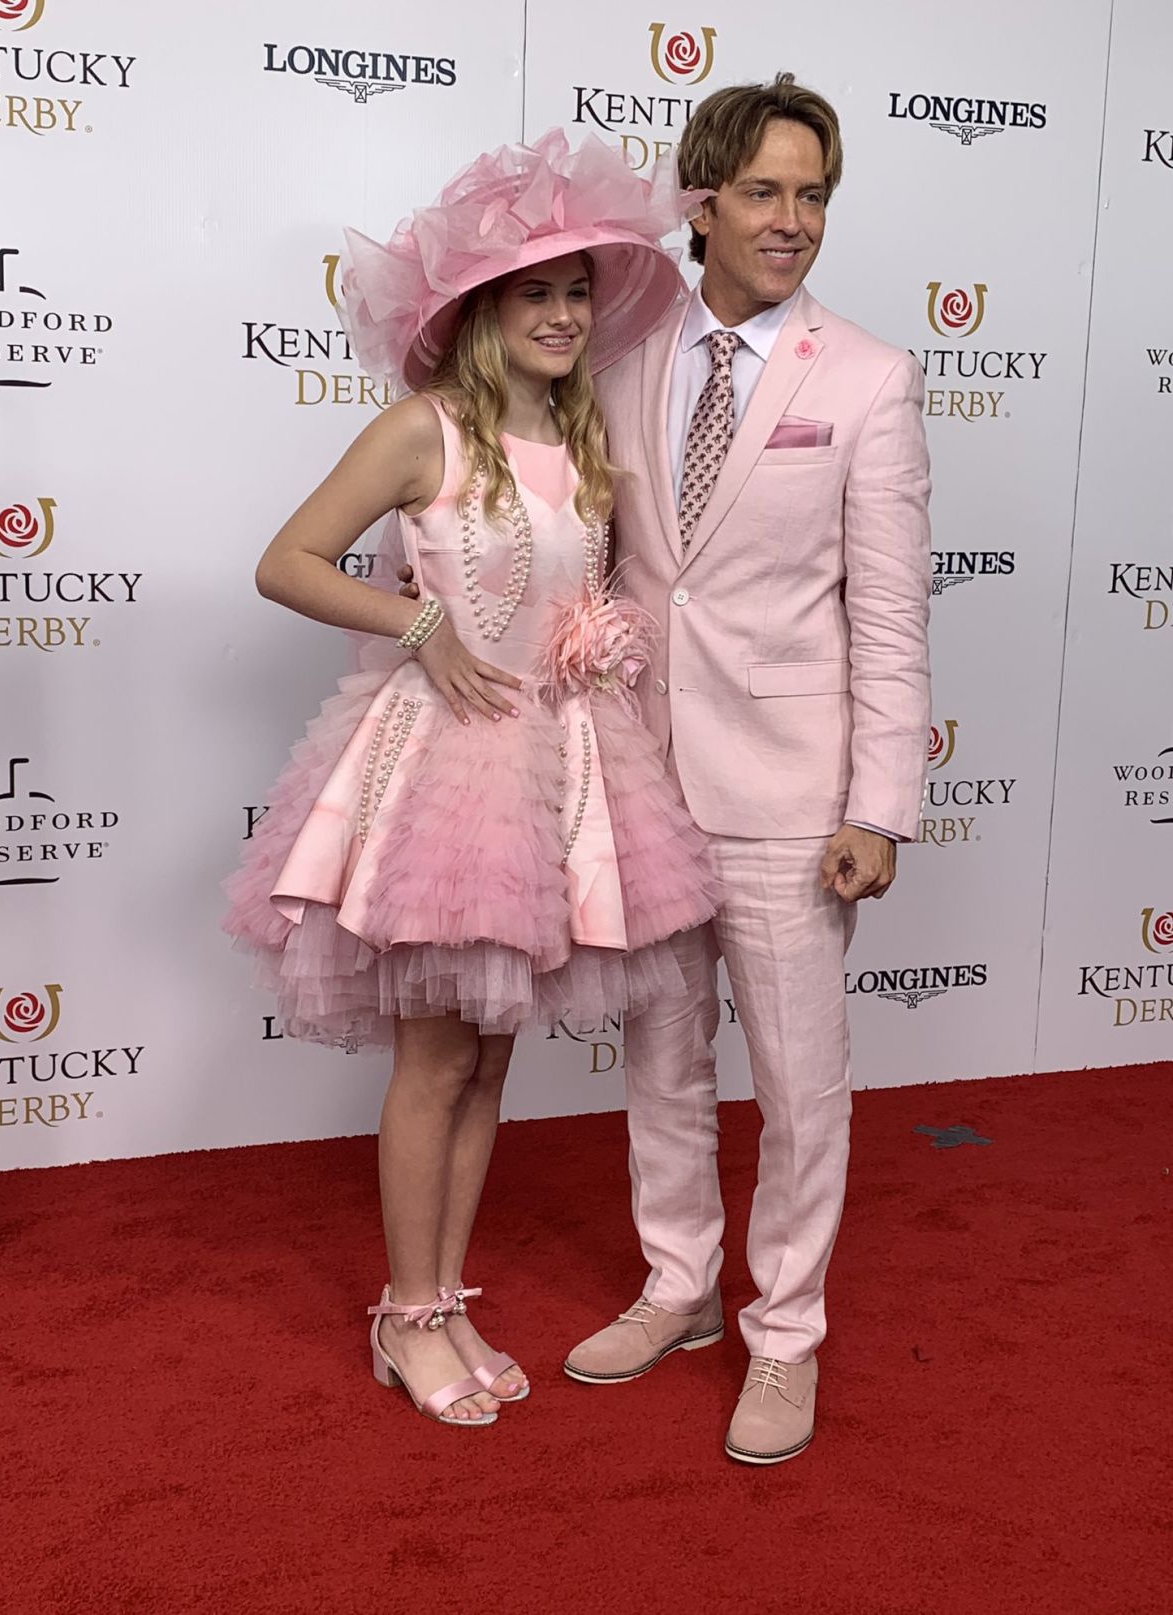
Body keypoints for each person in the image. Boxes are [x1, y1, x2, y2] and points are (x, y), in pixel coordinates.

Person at [222, 131, 717, 1429]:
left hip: (558, 771)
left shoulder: (581, 438)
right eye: (532, 294)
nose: (560, 316)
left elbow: (577, 597)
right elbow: (289, 561)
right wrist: (421, 629)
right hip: (446, 778)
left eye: (574, 295)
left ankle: (443, 1293)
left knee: (492, 1063)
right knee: (435, 1061)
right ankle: (406, 1313)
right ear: (479, 312)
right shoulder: (423, 430)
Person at [556, 74, 931, 1465]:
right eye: (767, 192)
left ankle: (786, 1334)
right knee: (660, 1059)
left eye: (816, 194)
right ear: (700, 202)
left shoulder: (873, 376)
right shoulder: (618, 354)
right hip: (646, 779)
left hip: (793, 791)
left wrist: (878, 806)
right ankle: (680, 1287)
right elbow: (595, 569)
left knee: (798, 1082)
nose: (795, 221)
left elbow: (889, 616)